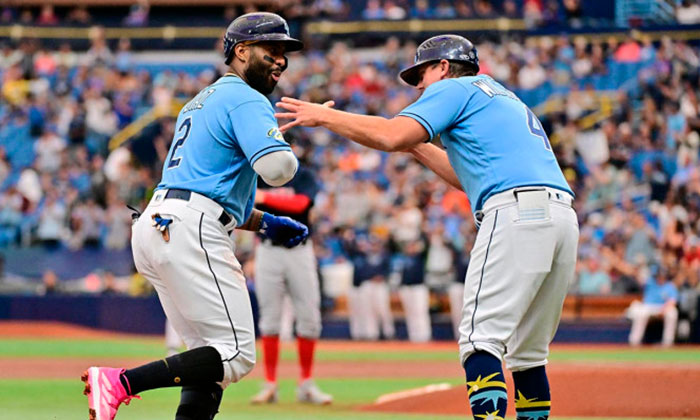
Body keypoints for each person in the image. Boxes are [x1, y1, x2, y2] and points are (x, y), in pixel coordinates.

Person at [276, 34, 579, 420]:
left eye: (422, 73)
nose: (418, 85)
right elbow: (464, 176)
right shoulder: (499, 95)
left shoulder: (454, 87)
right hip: (560, 217)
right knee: (528, 354)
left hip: (515, 212)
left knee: (479, 341)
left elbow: (389, 134)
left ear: (444, 67)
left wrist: (325, 115)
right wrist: (416, 145)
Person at [81, 12, 310, 420]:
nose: (280, 60)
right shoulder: (246, 97)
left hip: (162, 222)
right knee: (236, 355)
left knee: (209, 363)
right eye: (271, 50)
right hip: (190, 227)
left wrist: (263, 222)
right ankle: (120, 383)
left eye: (284, 53)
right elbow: (278, 170)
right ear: (241, 51)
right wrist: (287, 141)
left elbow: (205, 186)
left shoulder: (201, 100)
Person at [250, 146, 332, 405]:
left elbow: (300, 203)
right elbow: (248, 201)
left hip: (299, 250)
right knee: (270, 320)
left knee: (309, 318)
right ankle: (270, 384)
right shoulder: (259, 176)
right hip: (267, 249)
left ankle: (306, 383)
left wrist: (264, 197)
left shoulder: (303, 176)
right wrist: (261, 196)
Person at [627, 265, 679, 347]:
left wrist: (664, 310)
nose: (660, 278)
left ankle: (668, 342)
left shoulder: (670, 286)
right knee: (641, 313)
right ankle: (634, 342)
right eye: (659, 276)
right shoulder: (650, 282)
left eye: (662, 276)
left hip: (662, 308)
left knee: (673, 313)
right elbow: (636, 275)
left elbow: (672, 301)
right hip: (648, 307)